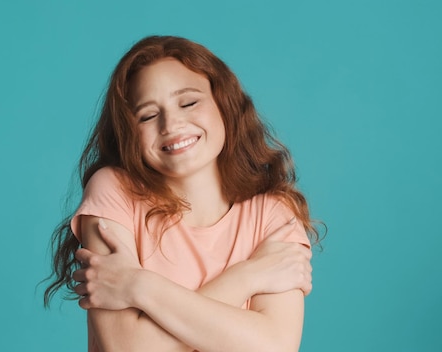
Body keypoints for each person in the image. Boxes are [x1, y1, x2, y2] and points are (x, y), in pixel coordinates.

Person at [44, 35, 322, 352]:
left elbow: (274, 346)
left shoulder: (274, 214)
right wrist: (248, 276)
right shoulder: (113, 191)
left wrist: (137, 285)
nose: (171, 124)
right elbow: (127, 347)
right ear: (129, 132)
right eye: (147, 115)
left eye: (188, 102)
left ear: (225, 105)